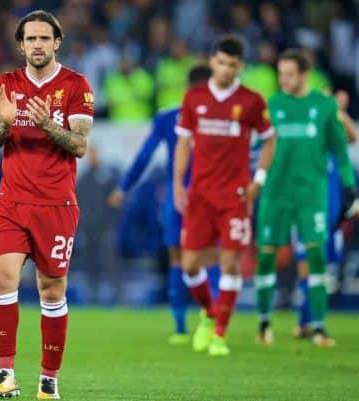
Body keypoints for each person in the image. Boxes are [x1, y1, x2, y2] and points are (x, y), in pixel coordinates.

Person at [0, 10, 94, 399]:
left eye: (45, 38)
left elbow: (80, 145)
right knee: (3, 281)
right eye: (31, 39)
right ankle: (5, 374)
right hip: (11, 202)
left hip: (56, 204)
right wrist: (7, 122)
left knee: (51, 291)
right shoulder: (7, 84)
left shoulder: (76, 85)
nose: (38, 45)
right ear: (21, 44)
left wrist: (47, 125)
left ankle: (48, 380)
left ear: (57, 42)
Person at [174, 35, 275, 357]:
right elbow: (184, 143)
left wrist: (259, 178)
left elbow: (270, 140)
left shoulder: (251, 101)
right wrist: (178, 183)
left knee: (231, 263)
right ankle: (208, 310)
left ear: (240, 66)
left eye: (233, 65)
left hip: (235, 197)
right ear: (212, 61)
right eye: (221, 63)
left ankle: (220, 333)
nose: (226, 69)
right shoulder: (194, 97)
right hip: (201, 195)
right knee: (190, 264)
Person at [108, 64, 221, 343]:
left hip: (177, 195)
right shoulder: (219, 118)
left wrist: (124, 187)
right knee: (209, 257)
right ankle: (213, 323)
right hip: (209, 194)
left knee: (177, 258)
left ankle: (180, 328)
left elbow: (145, 155)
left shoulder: (169, 117)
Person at [254, 49, 357, 347]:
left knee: (316, 255)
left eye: (289, 74)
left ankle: (319, 327)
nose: (283, 80)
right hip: (276, 193)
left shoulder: (324, 106)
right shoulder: (271, 105)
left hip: (312, 193)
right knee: (266, 256)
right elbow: (259, 146)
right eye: (280, 74)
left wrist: (350, 188)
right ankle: (263, 323)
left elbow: (341, 149)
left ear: (303, 75)